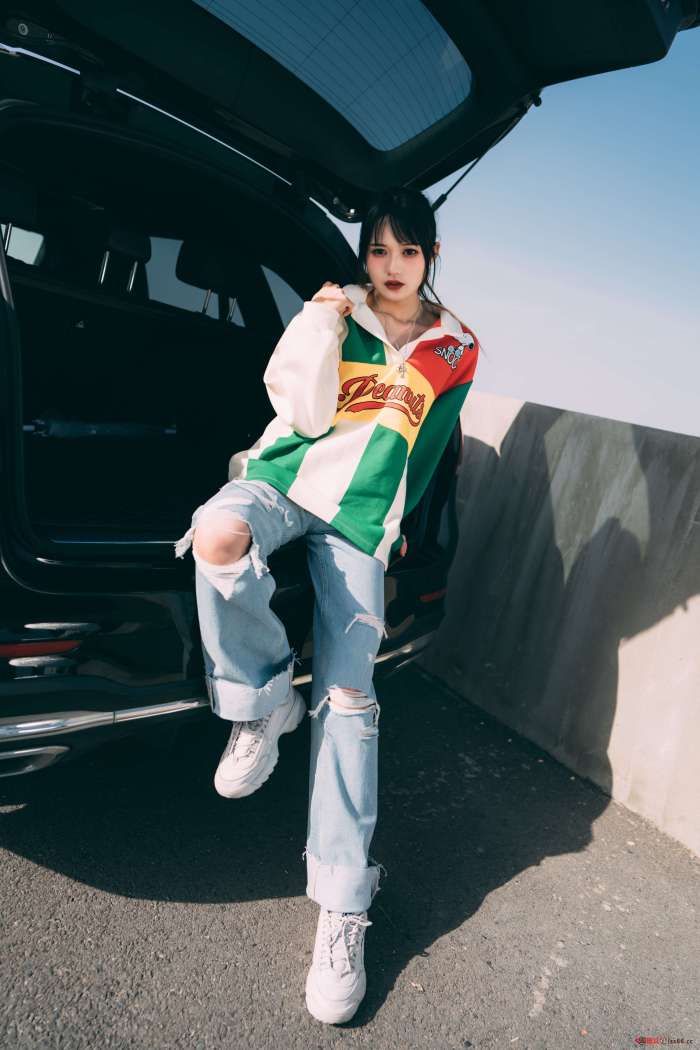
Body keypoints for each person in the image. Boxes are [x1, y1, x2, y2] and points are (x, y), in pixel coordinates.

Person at [173, 186, 480, 1024]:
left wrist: (400, 524)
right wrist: (319, 321)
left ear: (431, 255)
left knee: (349, 701)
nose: (391, 266)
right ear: (364, 255)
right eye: (378, 250)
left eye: (407, 251)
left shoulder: (457, 348)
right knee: (216, 537)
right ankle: (261, 700)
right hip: (284, 480)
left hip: (361, 523)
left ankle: (343, 906)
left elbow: (429, 445)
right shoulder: (339, 310)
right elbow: (298, 409)